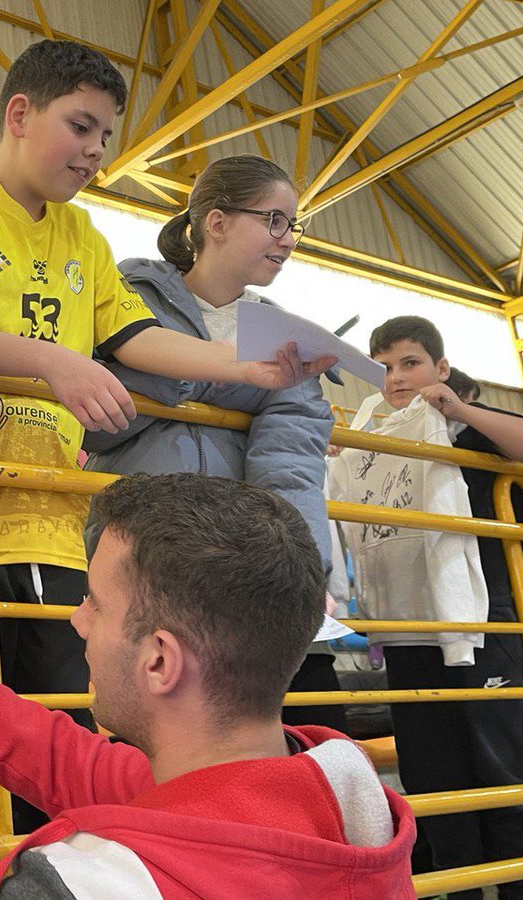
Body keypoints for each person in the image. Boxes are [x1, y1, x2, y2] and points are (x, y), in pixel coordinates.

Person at [0, 42, 334, 893]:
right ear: (18, 115)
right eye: (82, 126)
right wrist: (54, 363)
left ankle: (54, 872)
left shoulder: (84, 235)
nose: (98, 150)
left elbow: (132, 337)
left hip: (60, 520)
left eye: (106, 134)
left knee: (55, 718)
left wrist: (247, 372)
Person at [0, 474, 416, 899]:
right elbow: (70, 762)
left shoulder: (87, 887)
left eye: (95, 603)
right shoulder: (336, 801)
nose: (75, 619)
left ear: (159, 663)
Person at [83, 153, 345, 732]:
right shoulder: (126, 294)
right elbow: (95, 417)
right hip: (133, 550)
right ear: (217, 222)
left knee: (232, 723)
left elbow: (292, 458)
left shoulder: (287, 338)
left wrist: (304, 567)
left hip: (230, 559)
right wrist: (238, 376)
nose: (287, 239)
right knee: (134, 724)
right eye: (274, 220)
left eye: (293, 226)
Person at [361, 316, 523, 899]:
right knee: (431, 773)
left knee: (500, 760)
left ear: (442, 370)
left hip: (481, 617)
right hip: (408, 626)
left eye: (410, 363)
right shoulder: (376, 444)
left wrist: (459, 411)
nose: (396, 377)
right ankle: (461, 889)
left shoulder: (465, 435)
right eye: (384, 367)